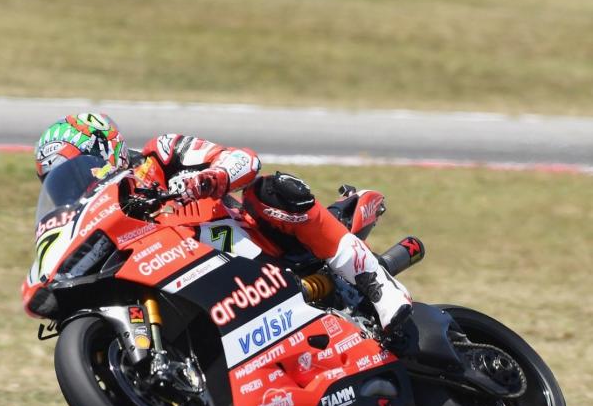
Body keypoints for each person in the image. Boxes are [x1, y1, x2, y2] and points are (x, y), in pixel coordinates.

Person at [33, 112, 412, 334]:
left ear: (103, 149)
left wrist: (208, 179)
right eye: (58, 177)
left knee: (273, 191)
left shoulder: (160, 154)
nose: (75, 179)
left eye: (76, 166)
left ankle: (376, 282)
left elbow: (244, 160)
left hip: (248, 243)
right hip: (198, 285)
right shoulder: (95, 214)